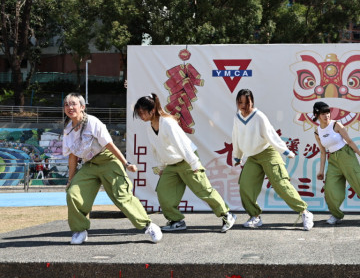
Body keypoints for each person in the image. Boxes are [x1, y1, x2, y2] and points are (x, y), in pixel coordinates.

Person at [62, 93, 162, 245]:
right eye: (66, 104)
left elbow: (109, 144)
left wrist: (125, 163)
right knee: (73, 193)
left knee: (121, 196)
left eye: (73, 104)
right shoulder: (68, 129)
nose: (70, 107)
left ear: (82, 107)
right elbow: (73, 156)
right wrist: (70, 179)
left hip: (108, 160)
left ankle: (148, 225)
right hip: (90, 164)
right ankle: (80, 230)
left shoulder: (93, 122)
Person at [134, 93, 236, 233]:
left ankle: (227, 215)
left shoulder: (167, 123)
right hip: (171, 164)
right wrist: (162, 167)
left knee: (203, 190)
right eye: (138, 113)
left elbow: (182, 144)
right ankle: (176, 221)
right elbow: (157, 149)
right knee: (163, 193)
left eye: (142, 112)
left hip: (187, 160)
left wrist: (194, 164)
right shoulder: (149, 127)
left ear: (152, 110)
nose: (140, 116)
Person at [232, 89, 314, 230]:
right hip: (252, 157)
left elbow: (271, 135)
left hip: (268, 153)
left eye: (247, 102)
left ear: (252, 101)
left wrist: (285, 150)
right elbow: (236, 136)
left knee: (281, 184)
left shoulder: (259, 116)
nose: (244, 105)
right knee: (245, 186)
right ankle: (255, 217)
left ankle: (305, 212)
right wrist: (237, 156)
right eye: (241, 102)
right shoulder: (237, 117)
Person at [312, 101, 360, 226]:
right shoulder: (317, 132)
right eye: (323, 114)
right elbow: (322, 152)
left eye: (327, 113)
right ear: (316, 114)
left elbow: (349, 141)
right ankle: (336, 215)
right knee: (330, 190)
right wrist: (321, 171)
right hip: (333, 161)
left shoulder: (336, 125)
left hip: (346, 156)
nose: (326, 116)